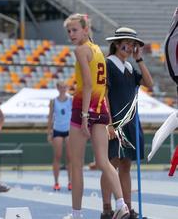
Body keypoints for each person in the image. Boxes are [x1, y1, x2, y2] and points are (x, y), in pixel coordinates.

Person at [62, 14, 129, 219]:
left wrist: (83, 117)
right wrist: (106, 118)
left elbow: (89, 85)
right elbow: (102, 86)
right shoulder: (98, 50)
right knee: (103, 161)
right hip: (101, 109)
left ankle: (77, 214)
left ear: (85, 29)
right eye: (69, 31)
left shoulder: (81, 50)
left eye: (74, 30)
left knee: (76, 164)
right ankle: (122, 205)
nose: (71, 34)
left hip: (84, 107)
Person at [99, 28, 153, 219]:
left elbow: (149, 83)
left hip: (131, 123)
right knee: (111, 164)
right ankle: (107, 209)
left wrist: (139, 59)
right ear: (116, 43)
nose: (130, 47)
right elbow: (104, 95)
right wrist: (109, 123)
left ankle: (127, 209)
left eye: (133, 44)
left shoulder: (130, 67)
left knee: (126, 166)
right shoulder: (108, 64)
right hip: (115, 123)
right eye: (127, 43)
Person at [47, 81, 72, 192]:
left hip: (68, 130)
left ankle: (70, 182)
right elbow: (50, 117)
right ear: (57, 88)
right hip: (57, 130)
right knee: (57, 156)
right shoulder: (53, 101)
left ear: (67, 88)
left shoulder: (71, 99)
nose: (62, 89)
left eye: (64, 87)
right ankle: (56, 182)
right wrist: (49, 132)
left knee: (69, 157)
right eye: (61, 87)